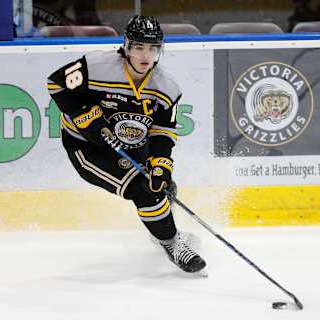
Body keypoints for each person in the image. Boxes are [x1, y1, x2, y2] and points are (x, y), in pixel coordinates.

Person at [46, 15, 206, 273]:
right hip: (88, 148)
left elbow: (162, 133)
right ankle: (173, 244)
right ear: (127, 46)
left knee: (163, 186)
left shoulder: (167, 87)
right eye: (139, 47)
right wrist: (88, 118)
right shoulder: (96, 66)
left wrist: (161, 165)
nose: (146, 55)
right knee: (142, 190)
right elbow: (57, 84)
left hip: (132, 144)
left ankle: (160, 232)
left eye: (153, 48)